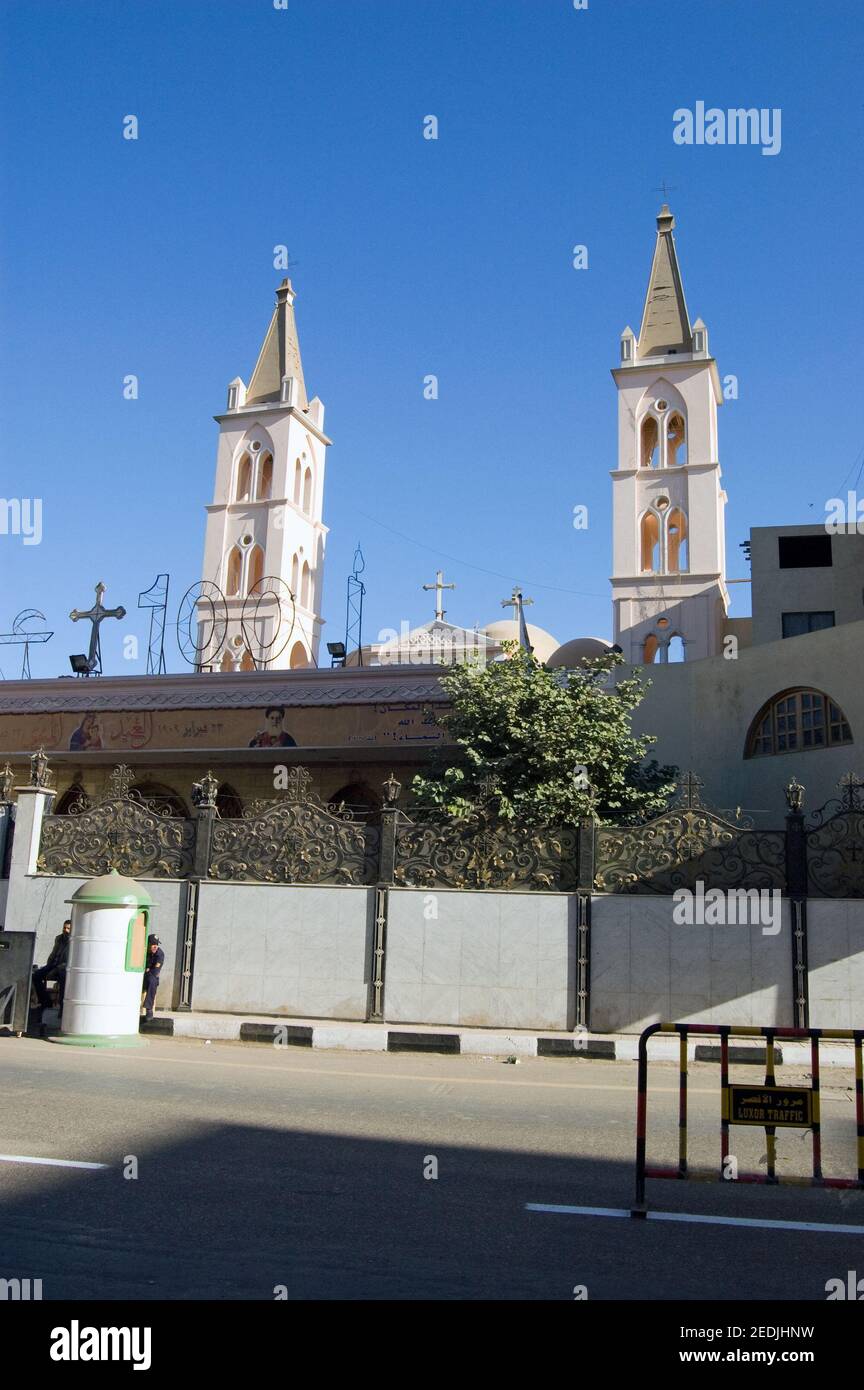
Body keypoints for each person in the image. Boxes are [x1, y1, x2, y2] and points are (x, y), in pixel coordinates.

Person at [32, 918, 72, 1010]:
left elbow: (67, 961)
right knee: (36, 976)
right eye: (64, 928)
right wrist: (48, 966)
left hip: (63, 968)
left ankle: (62, 1008)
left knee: (64, 978)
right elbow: (53, 954)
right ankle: (46, 1002)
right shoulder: (59, 938)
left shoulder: (73, 942)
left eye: (68, 928)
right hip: (53, 964)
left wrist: (54, 970)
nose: (66, 930)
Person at [140, 935, 164, 1021]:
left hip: (150, 976)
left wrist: (148, 969)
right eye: (153, 944)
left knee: (152, 981)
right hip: (140, 975)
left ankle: (149, 1009)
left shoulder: (160, 954)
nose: (155, 946)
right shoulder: (143, 951)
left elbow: (155, 971)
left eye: (156, 944)